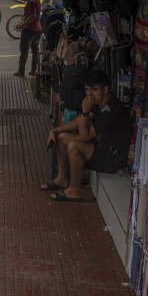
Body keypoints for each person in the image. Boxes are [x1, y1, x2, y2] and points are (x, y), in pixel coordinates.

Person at [41, 69, 132, 202]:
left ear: (105, 89)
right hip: (101, 148)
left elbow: (85, 137)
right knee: (61, 137)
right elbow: (78, 120)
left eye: (94, 89)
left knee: (74, 146)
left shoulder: (111, 109)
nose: (89, 93)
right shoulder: (98, 103)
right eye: (87, 89)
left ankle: (74, 191)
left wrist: (85, 112)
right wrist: (55, 130)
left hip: (113, 158)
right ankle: (61, 179)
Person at [14, 0, 42, 77]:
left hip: (29, 29)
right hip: (38, 29)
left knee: (24, 51)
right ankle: (34, 71)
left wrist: (22, 24)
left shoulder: (30, 2)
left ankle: (21, 71)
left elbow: (32, 16)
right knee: (35, 50)